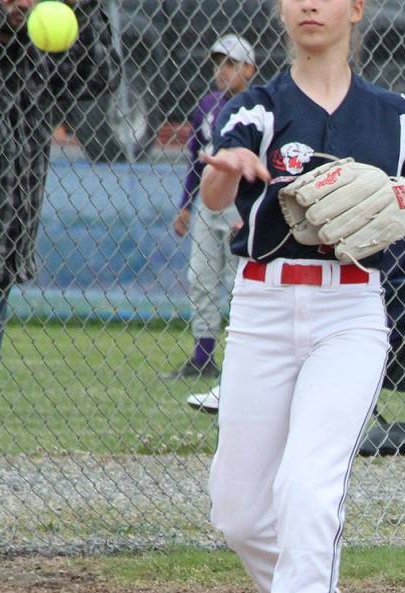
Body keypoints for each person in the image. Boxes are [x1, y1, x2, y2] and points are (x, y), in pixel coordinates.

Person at [199, 0, 405, 593]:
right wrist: (228, 169)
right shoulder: (256, 104)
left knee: (306, 486)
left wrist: (401, 202)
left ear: (356, 9)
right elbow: (218, 190)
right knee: (237, 510)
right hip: (260, 307)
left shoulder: (398, 117)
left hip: (349, 313)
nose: (309, 5)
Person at [0, 0, 118, 369]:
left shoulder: (37, 49)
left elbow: (99, 76)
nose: (23, 3)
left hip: (5, 243)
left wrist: (81, 8)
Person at [162, 34, 256, 381]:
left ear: (249, 69)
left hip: (240, 204)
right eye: (219, 64)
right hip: (207, 201)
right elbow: (195, 159)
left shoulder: (258, 106)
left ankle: (243, 359)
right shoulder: (207, 105)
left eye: (231, 64)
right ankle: (202, 357)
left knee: (237, 281)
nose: (222, 71)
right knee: (201, 277)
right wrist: (186, 205)